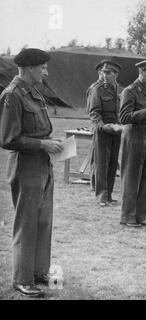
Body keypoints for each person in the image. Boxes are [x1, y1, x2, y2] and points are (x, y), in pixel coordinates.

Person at [0, 48, 64, 297]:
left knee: (43, 220)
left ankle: (39, 271)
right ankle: (22, 278)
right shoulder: (12, 95)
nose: (46, 72)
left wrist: (49, 141)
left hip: (42, 163)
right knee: (26, 222)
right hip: (26, 165)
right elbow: (7, 138)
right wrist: (42, 144)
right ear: (27, 69)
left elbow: (38, 129)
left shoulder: (34, 92)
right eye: (42, 67)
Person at [119, 58, 146, 228]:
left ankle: (139, 216)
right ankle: (128, 216)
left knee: (145, 178)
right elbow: (124, 117)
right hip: (134, 138)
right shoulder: (130, 91)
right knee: (131, 178)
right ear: (141, 73)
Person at [88, 60, 123, 207]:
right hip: (103, 129)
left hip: (117, 129)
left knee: (113, 162)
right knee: (101, 162)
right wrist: (103, 127)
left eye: (108, 73)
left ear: (116, 74)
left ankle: (108, 194)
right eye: (103, 72)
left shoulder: (119, 89)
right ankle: (101, 196)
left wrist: (120, 126)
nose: (104, 75)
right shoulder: (98, 89)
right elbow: (94, 113)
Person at [85, 62, 105, 191]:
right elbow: (92, 110)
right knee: (97, 156)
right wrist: (99, 125)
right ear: (99, 72)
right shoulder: (95, 88)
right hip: (99, 125)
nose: (106, 74)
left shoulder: (108, 87)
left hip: (108, 125)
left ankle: (100, 183)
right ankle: (95, 183)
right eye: (104, 71)